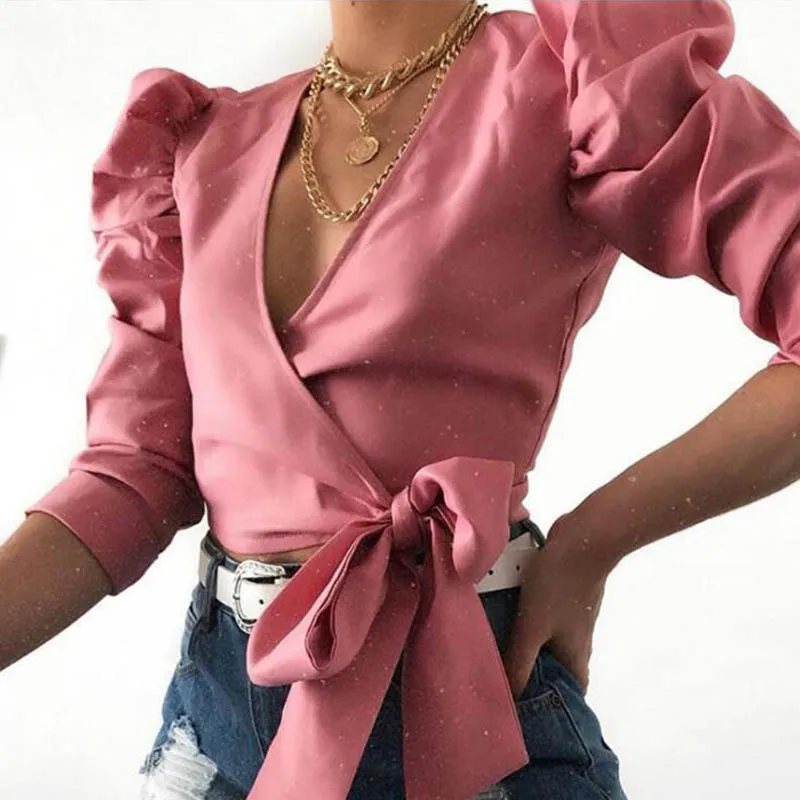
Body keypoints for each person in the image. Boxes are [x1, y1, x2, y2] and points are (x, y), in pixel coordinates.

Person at [3, 1, 800, 798]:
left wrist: (595, 538)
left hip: (470, 712)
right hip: (218, 730)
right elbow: (136, 470)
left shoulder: (572, 83)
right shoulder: (198, 144)